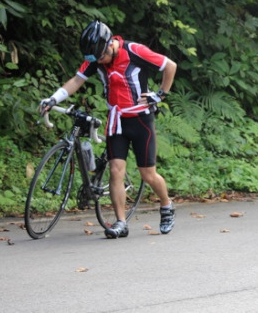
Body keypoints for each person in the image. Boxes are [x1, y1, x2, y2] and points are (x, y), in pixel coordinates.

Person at [39, 20, 177, 238]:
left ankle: (166, 205)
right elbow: (76, 80)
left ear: (110, 45)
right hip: (117, 121)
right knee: (115, 171)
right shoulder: (96, 58)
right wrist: (53, 99)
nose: (100, 62)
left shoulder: (134, 51)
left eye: (102, 57)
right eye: (96, 59)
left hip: (141, 120)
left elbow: (170, 66)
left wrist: (160, 95)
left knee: (148, 175)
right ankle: (121, 222)